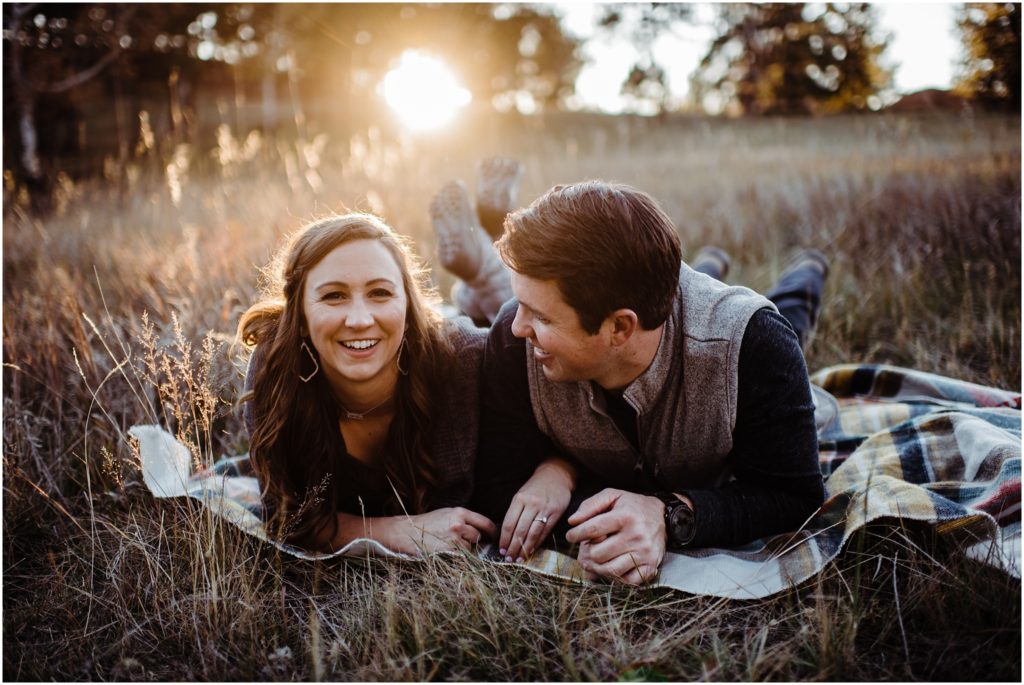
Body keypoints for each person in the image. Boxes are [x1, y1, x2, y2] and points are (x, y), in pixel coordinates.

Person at [436, 178, 828, 586]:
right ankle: (709, 262)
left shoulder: (755, 346)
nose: (518, 328)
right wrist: (559, 469)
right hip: (661, 309)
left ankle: (807, 272)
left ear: (620, 327)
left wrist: (669, 515)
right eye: (521, 305)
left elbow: (792, 496)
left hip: (741, 332)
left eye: (542, 317)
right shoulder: (512, 341)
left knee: (790, 320)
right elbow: (498, 488)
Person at [237, 213, 496, 554]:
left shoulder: (463, 356)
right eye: (333, 296)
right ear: (299, 315)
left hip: (467, 328)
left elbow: (557, 405)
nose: (359, 320)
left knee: (509, 319)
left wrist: (557, 471)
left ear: (407, 305)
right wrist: (398, 530)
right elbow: (288, 517)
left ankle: (487, 273)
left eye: (379, 292)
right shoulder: (277, 367)